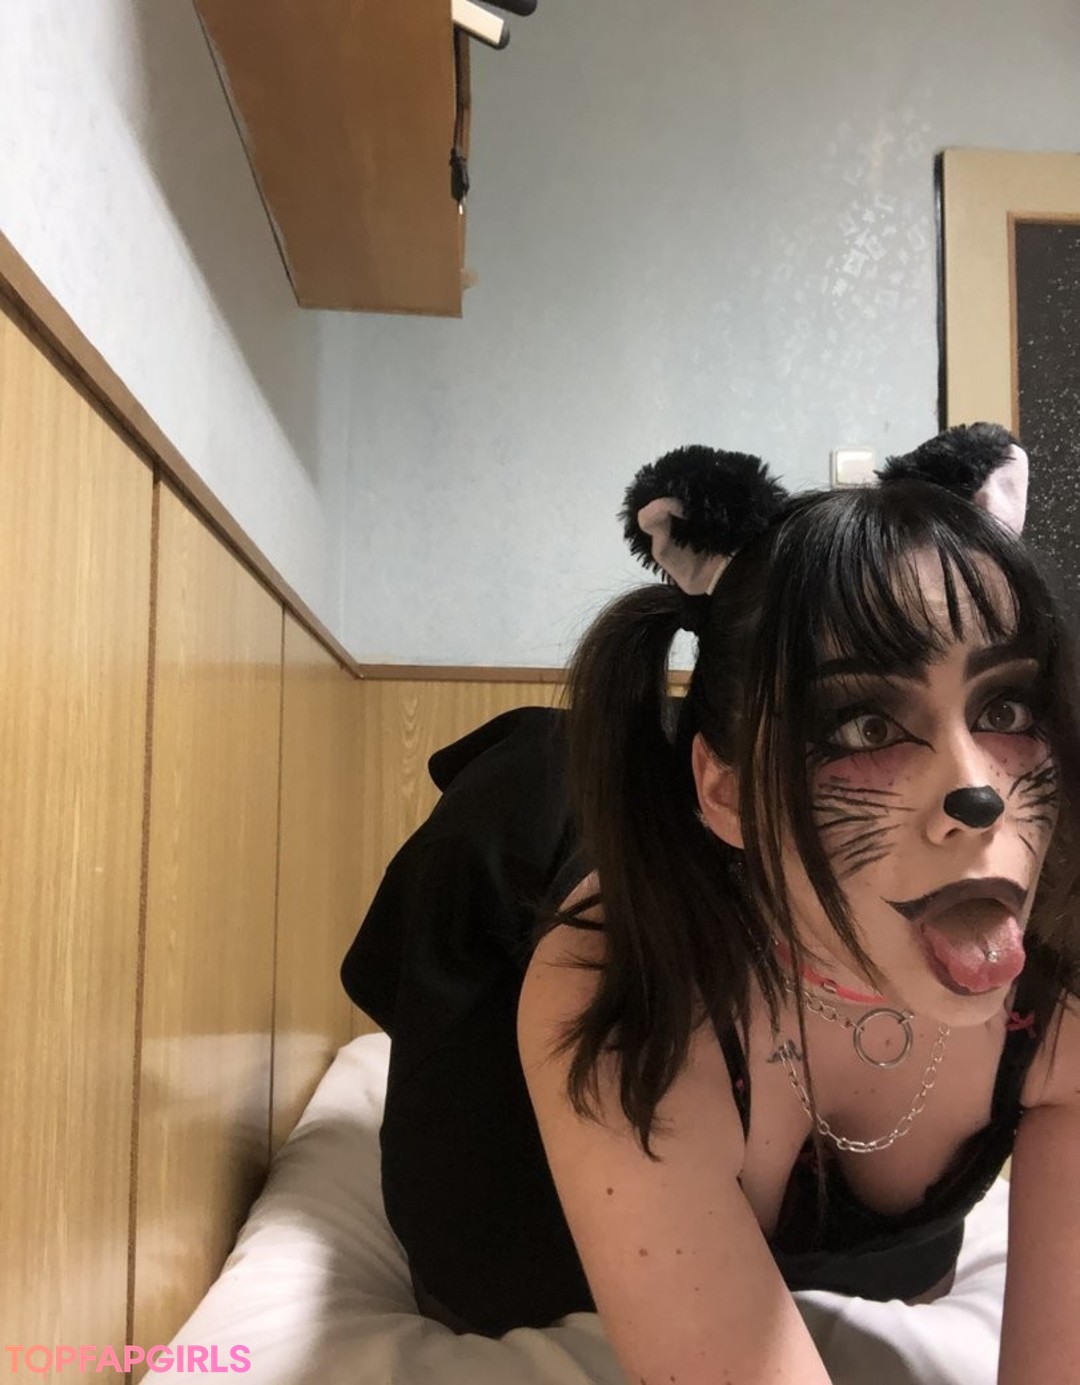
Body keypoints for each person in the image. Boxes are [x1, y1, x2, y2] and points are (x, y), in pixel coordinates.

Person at [340, 424, 1080, 1383]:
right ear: (727, 793)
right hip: (535, 917)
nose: (977, 793)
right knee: (480, 1276)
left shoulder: (1059, 977)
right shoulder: (620, 986)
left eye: (1005, 709)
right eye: (867, 725)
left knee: (905, 1270)